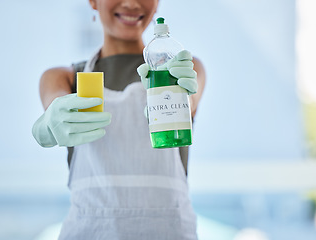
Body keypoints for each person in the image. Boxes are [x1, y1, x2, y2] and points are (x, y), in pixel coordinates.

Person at [32, 0, 206, 239]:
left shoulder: (183, 69)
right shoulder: (64, 77)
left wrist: (174, 100)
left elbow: (191, 102)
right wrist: (48, 125)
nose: (132, 3)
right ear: (93, 2)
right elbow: (54, 105)